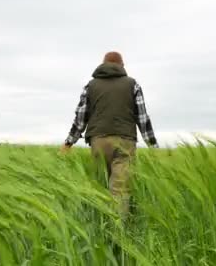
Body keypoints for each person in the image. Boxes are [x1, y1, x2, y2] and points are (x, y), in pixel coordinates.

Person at [61, 51, 158, 219]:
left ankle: (100, 226)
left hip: (99, 141)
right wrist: (153, 145)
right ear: (121, 66)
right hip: (125, 141)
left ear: (103, 64)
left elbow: (80, 118)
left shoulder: (90, 86)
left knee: (100, 186)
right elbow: (142, 117)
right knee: (120, 191)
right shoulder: (132, 84)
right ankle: (117, 233)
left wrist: (69, 142)